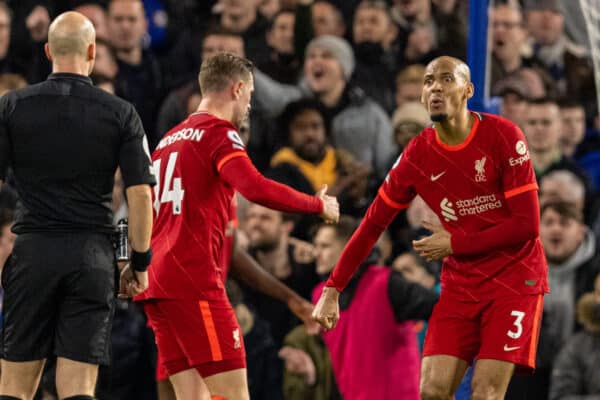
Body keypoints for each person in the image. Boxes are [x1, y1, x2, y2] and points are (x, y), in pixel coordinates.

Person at [313, 56, 548, 400]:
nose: (435, 87)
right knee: (432, 392)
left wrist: (456, 244)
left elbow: (527, 226)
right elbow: (373, 223)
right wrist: (333, 289)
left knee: (485, 393)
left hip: (514, 279)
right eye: (428, 81)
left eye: (446, 79)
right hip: (461, 283)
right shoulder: (417, 155)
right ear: (422, 97)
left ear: (468, 90)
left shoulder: (504, 136)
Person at [135, 52, 339, 400]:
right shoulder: (219, 133)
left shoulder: (167, 142)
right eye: (251, 95)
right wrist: (317, 204)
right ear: (238, 88)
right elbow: (256, 187)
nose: (249, 106)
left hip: (158, 284)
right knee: (232, 395)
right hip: (195, 283)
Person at [0, 11, 155, 400]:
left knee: (15, 387)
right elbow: (140, 195)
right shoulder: (121, 113)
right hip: (92, 257)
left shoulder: (12, 107)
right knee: (79, 388)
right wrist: (139, 263)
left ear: (49, 51)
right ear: (92, 50)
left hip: (32, 252)